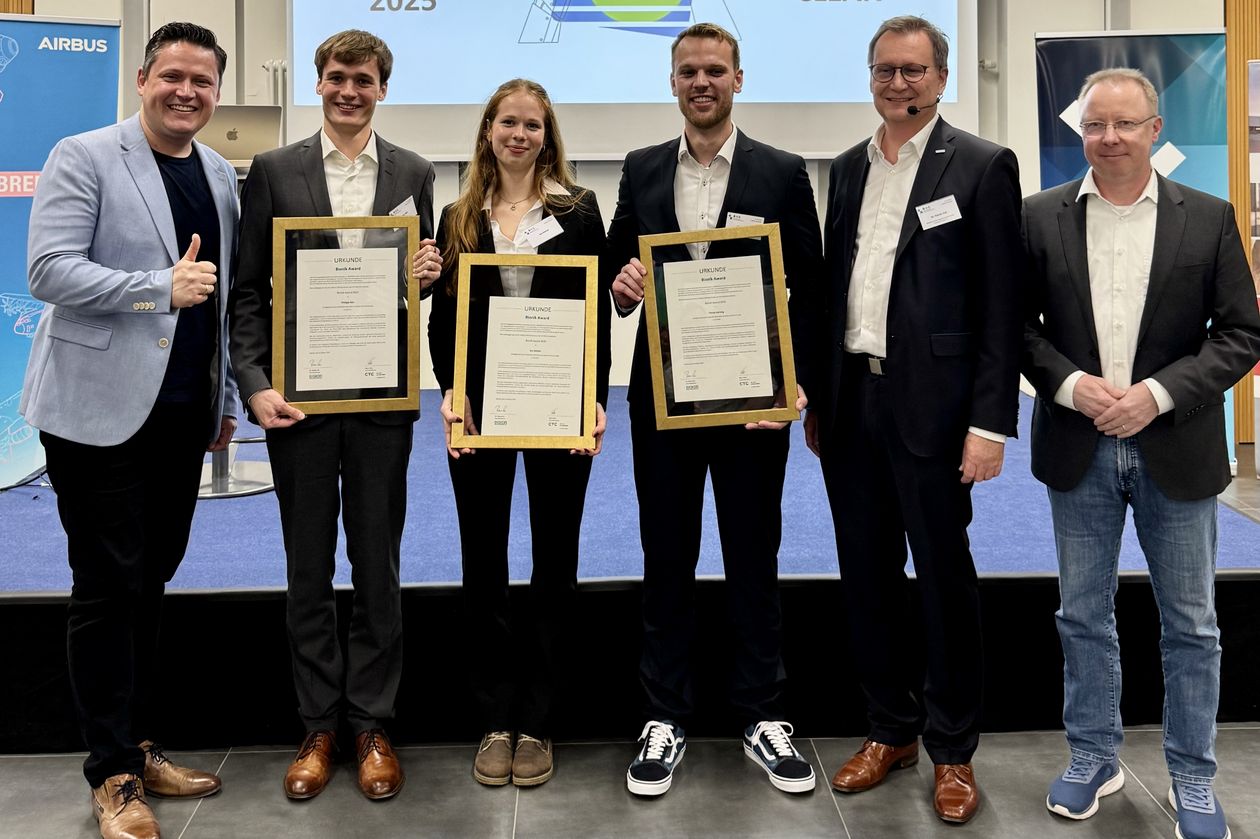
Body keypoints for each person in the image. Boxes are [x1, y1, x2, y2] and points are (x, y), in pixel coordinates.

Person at [1023, 67, 1260, 839]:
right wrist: (1071, 386)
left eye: (1126, 124)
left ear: (1156, 130)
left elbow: (1242, 334)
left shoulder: (1210, 217)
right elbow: (1017, 329)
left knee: (1191, 624)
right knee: (1081, 615)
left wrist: (1155, 394)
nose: (1110, 138)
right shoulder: (1040, 217)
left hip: (1177, 447)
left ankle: (1193, 776)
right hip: (1077, 446)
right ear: (1079, 130)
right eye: (1096, 124)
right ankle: (1094, 755)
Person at [803, 15, 1023, 824]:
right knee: (864, 575)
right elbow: (835, 290)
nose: (899, 84)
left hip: (935, 411)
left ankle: (953, 749)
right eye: (886, 70)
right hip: (852, 400)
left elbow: (1003, 305)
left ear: (941, 75)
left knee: (941, 580)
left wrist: (990, 423)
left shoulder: (982, 165)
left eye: (914, 71)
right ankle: (889, 728)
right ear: (870, 77)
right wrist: (818, 398)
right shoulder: (848, 167)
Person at [20, 21, 237, 839]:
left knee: (150, 581)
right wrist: (157, 286)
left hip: (181, 413)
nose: (187, 91)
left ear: (218, 91)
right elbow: (47, 269)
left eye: (203, 81)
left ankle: (138, 747)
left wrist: (218, 401)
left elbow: (214, 298)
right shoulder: (82, 154)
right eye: (173, 76)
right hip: (94, 415)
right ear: (142, 78)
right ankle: (109, 774)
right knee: (108, 587)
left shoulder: (218, 172)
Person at [607, 22, 822, 797]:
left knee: (752, 553)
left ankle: (763, 713)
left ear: (739, 79)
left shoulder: (783, 171)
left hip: (751, 402)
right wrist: (621, 287)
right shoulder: (639, 169)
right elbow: (613, 268)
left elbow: (810, 286)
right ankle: (664, 717)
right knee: (665, 555)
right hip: (662, 400)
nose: (703, 82)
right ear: (673, 82)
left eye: (716, 71)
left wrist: (797, 383)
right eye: (690, 71)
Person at [229, 29, 438, 802]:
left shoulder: (415, 171)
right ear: (319, 82)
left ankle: (372, 723)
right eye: (338, 77)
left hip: (383, 400)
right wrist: (253, 383)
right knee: (308, 566)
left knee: (378, 565)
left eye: (365, 79)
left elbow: (411, 289)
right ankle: (318, 724)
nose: (350, 90)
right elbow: (249, 291)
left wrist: (426, 276)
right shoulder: (276, 171)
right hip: (301, 400)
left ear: (383, 88)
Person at [427, 78, 610, 788]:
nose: (519, 135)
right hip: (479, 412)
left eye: (532, 125)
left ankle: (537, 719)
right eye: (508, 122)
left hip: (560, 407)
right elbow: (446, 322)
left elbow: (595, 315)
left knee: (554, 560)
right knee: (484, 561)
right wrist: (452, 393)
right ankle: (494, 717)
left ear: (547, 135)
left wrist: (594, 400)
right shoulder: (458, 216)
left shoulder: (580, 211)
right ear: (488, 131)